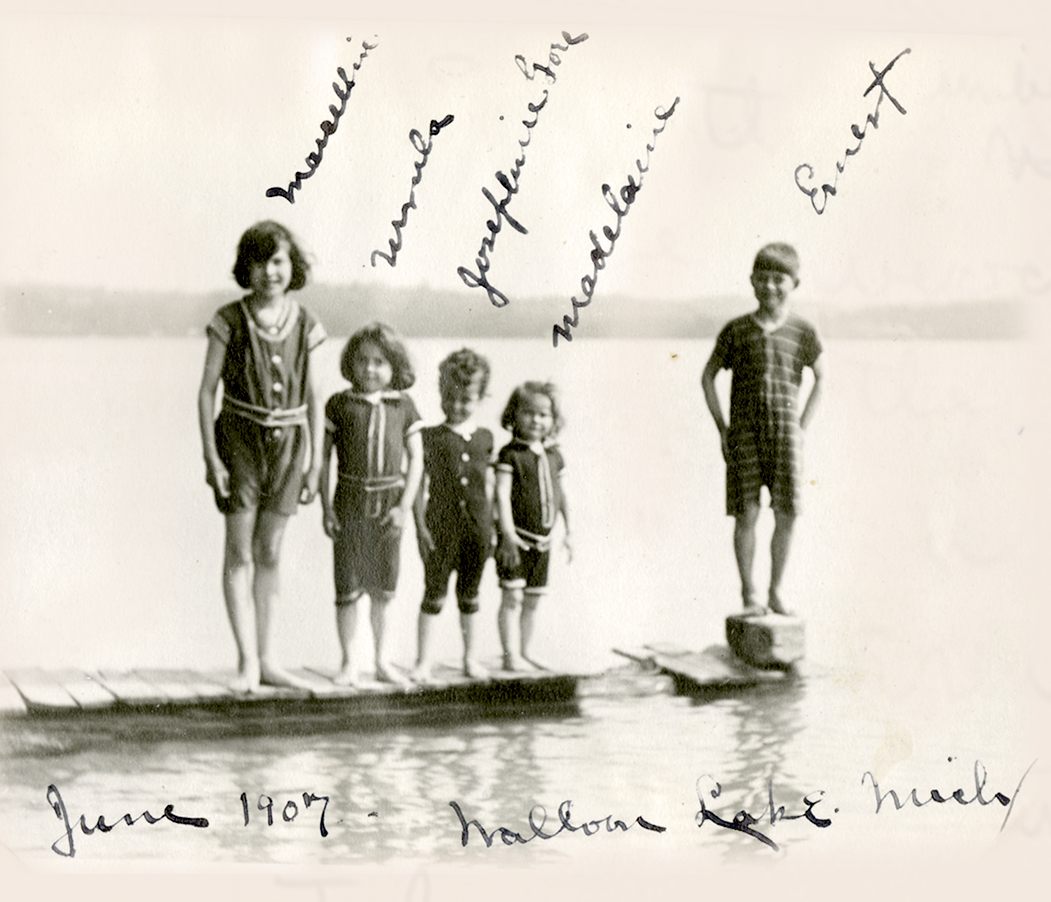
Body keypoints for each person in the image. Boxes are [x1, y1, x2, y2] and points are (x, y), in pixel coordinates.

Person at [197, 220, 326, 692]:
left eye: (279, 261)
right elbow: (206, 391)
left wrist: (313, 462)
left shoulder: (306, 323)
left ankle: (270, 658)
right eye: (260, 262)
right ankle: (247, 662)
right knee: (238, 551)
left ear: (292, 267)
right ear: (245, 268)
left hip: (290, 444)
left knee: (270, 551)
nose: (270, 271)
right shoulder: (229, 320)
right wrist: (212, 458)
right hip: (238, 438)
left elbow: (314, 397)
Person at [701, 242, 825, 617]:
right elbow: (707, 378)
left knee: (787, 514)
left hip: (786, 438)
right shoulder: (736, 330)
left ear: (795, 283)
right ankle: (749, 594)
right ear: (752, 281)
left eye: (779, 279)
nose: (770, 286)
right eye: (763, 278)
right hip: (744, 437)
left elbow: (822, 378)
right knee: (747, 515)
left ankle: (776, 591)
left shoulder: (803, 331)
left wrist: (801, 428)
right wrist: (722, 429)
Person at [320, 322, 423, 686]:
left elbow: (417, 461)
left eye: (379, 361)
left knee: (384, 590)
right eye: (362, 360)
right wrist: (325, 507)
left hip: (389, 506)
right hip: (348, 502)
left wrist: (404, 507)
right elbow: (324, 459)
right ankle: (349, 662)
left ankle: (381, 660)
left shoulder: (403, 406)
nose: (370, 368)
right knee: (347, 589)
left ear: (394, 366)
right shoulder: (339, 404)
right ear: (351, 364)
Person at [411, 349, 494, 683]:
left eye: (466, 399)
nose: (456, 405)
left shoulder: (486, 439)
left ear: (480, 398)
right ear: (440, 393)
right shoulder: (429, 437)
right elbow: (418, 485)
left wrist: (496, 531)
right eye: (450, 397)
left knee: (470, 597)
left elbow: (490, 487)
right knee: (433, 595)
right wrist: (419, 527)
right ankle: (423, 662)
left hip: (478, 530)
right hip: (440, 529)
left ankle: (470, 659)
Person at [494, 382, 571, 671]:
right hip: (516, 540)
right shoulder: (510, 454)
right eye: (528, 413)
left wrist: (570, 532)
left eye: (543, 414)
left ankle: (526, 652)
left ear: (552, 420)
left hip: (544, 540)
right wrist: (508, 534)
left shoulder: (554, 456)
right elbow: (501, 494)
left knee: (533, 600)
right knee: (512, 596)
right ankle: (510, 655)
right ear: (514, 415)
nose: (536, 420)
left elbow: (563, 496)